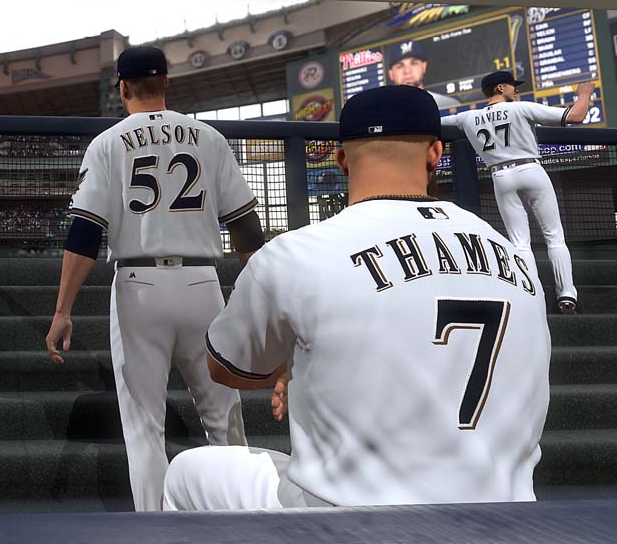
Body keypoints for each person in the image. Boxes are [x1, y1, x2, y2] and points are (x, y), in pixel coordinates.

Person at [163, 86, 551, 509]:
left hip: (352, 522)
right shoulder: (516, 259)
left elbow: (224, 368)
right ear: (436, 152)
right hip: (506, 519)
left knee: (187, 472)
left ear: (341, 159)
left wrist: (291, 366)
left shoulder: (297, 253)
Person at [45, 45, 266, 512]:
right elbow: (246, 229)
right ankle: (239, 522)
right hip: (203, 285)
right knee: (223, 418)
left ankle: (156, 528)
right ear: (166, 82)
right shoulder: (208, 137)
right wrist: (264, 297)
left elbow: (85, 234)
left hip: (140, 287)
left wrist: (63, 311)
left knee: (144, 426)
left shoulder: (108, 143)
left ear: (122, 87)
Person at [441, 71, 593, 314]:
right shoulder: (521, 108)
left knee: (520, 243)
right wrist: (585, 93)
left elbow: (432, 124)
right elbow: (576, 116)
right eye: (513, 86)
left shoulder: (466, 117)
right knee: (554, 237)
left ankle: (531, 297)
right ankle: (566, 294)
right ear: (500, 87)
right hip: (530, 169)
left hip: (500, 177)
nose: (516, 90)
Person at [387, 40, 460, 108]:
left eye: (414, 63)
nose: (407, 70)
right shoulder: (381, 114)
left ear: (424, 67)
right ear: (391, 74)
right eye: (400, 66)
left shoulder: (448, 104)